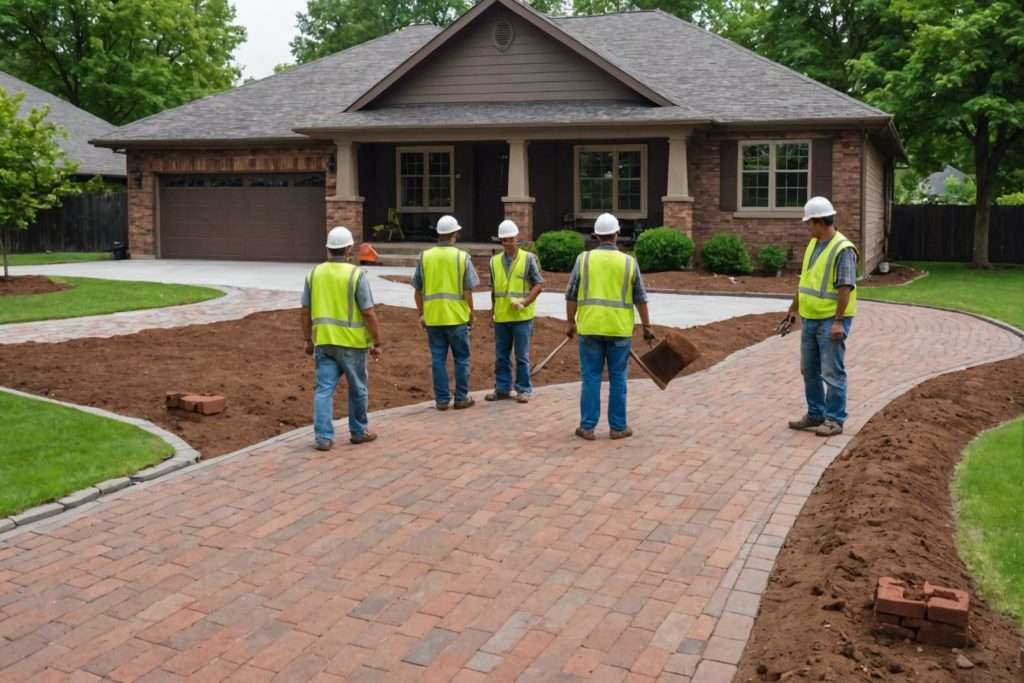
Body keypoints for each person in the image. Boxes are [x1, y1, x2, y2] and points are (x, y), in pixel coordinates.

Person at [565, 212, 654, 440]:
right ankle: (618, 427)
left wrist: (570, 323)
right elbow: (640, 298)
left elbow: (571, 295)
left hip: (590, 327)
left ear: (596, 235)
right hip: (618, 330)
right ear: (617, 234)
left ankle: (587, 427)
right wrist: (647, 327)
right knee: (618, 379)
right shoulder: (628, 262)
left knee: (591, 378)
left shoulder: (583, 260)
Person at [781, 196, 858, 437]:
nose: (807, 227)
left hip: (831, 320)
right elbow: (805, 281)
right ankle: (816, 414)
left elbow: (845, 287)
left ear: (819, 221)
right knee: (809, 369)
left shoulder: (842, 249)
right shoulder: (813, 244)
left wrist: (838, 321)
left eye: (809, 223)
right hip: (810, 317)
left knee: (832, 371)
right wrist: (793, 308)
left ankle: (834, 419)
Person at [301, 226, 383, 450]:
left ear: (328, 248)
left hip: (324, 341)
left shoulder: (314, 274)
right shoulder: (356, 275)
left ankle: (323, 438)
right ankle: (358, 431)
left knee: (324, 389)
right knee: (358, 388)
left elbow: (305, 310)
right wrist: (377, 342)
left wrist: (308, 339)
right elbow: (368, 312)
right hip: (352, 343)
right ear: (348, 249)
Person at [413, 215, 480, 410]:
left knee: (437, 359)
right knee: (461, 358)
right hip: (456, 317)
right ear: (455, 234)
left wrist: (421, 314)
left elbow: (417, 290)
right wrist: (471, 314)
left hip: (433, 318)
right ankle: (461, 397)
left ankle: (442, 400)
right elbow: (468, 290)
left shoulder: (425, 257)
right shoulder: (461, 257)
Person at [486, 219, 544, 403]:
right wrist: (492, 311)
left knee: (521, 355)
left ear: (516, 238)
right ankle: (502, 388)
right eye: (503, 240)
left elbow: (538, 284)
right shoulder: (494, 262)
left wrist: (525, 302)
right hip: (502, 316)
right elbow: (494, 290)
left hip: (521, 317)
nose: (507, 244)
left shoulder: (528, 259)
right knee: (501, 355)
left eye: (510, 240)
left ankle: (523, 388)